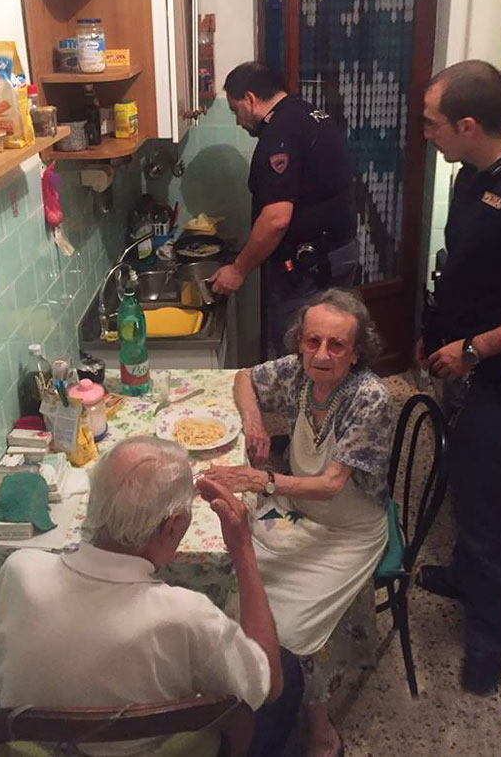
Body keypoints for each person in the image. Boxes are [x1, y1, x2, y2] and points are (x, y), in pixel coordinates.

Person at [0, 436, 304, 757]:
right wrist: (243, 549)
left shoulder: (18, 571)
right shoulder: (185, 615)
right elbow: (269, 684)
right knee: (286, 668)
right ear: (172, 527)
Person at [203, 289, 394, 757]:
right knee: (233, 574)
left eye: (336, 346)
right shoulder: (297, 373)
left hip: (350, 529)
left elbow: (331, 484)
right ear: (300, 341)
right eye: (312, 342)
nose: (321, 355)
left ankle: (319, 725)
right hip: (301, 510)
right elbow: (244, 377)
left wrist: (262, 480)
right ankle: (243, 693)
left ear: (356, 352)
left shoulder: (368, 397)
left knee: (291, 629)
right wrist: (254, 422)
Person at [416, 59, 501, 695]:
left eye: (432, 123)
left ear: (467, 124)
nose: (425, 133)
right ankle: (462, 574)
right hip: (459, 356)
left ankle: (489, 641)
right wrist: (435, 332)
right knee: (463, 477)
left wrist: (475, 348)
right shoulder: (469, 176)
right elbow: (461, 266)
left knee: (488, 506)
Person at [210, 61, 359, 357]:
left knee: (297, 352)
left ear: (250, 99)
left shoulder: (280, 134)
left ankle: (294, 404)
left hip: (310, 268)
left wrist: (238, 270)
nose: (238, 121)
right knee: (329, 348)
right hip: (337, 253)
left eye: (234, 110)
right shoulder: (306, 113)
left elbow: (276, 219)